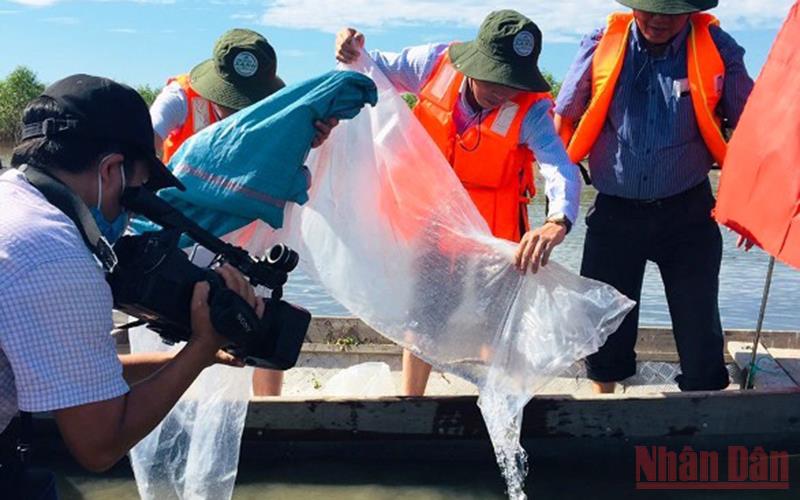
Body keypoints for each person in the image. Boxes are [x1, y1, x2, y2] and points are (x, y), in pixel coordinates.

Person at [0, 74, 260, 497]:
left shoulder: (14, 205)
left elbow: (80, 376)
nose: (130, 210)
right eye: (136, 191)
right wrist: (198, 349)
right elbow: (99, 446)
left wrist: (202, 354)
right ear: (110, 170)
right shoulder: (55, 254)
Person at [335, 10, 582, 396]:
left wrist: (557, 221)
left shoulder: (532, 109)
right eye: (493, 77)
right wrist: (350, 47)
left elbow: (559, 166)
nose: (501, 91)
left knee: (495, 324)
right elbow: (372, 65)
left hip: (495, 234)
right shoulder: (434, 63)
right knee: (421, 320)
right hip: (434, 223)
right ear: (474, 61)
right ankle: (409, 400)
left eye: (511, 82)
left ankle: (494, 404)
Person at [555, 0, 754, 393]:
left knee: (699, 326)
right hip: (614, 212)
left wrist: (752, 205)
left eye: (671, 11)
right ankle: (602, 412)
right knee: (604, 323)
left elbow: (752, 128)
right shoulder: (601, 43)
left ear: (691, 11)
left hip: (688, 212)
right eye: (649, 8)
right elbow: (564, 113)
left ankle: (701, 418)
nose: (658, 19)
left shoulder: (718, 46)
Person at [150, 28, 337, 396]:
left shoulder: (281, 112)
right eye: (230, 101)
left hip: (247, 230)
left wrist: (310, 139)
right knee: (180, 315)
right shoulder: (179, 99)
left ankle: (269, 404)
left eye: (248, 103)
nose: (239, 112)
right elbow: (145, 142)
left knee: (263, 309)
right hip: (187, 227)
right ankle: (172, 397)